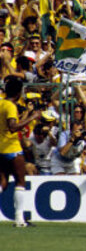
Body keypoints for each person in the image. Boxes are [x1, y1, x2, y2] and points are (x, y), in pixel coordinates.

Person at [0, 76, 42, 227]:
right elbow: (12, 127)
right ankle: (19, 219)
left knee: (3, 182)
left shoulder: (0, 103)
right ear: (19, 92)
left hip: (0, 147)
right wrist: (32, 117)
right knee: (20, 181)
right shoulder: (11, 106)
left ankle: (19, 219)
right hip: (11, 148)